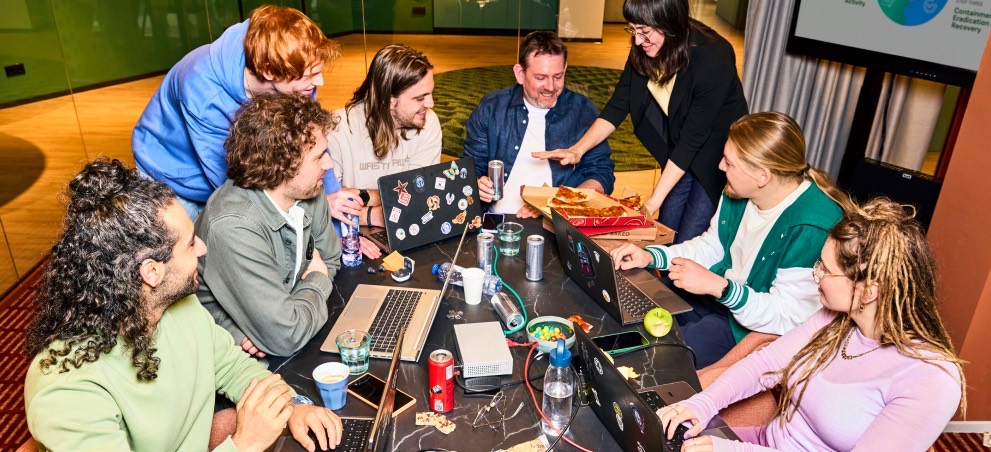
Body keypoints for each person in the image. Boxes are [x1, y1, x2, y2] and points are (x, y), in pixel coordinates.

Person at [23, 159, 343, 452]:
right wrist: (244, 444)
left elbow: (232, 366)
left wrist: (293, 405)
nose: (202, 248)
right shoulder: (68, 391)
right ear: (151, 271)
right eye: (190, 243)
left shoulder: (178, 308)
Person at [657, 198, 966, 451]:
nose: (814, 275)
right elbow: (764, 364)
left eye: (825, 270)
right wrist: (702, 404)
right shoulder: (837, 318)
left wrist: (731, 450)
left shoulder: (932, 378)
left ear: (868, 290)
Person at [610, 112, 851, 368]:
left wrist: (719, 287)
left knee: (661, 357)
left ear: (762, 176)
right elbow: (712, 247)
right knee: (627, 307)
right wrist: (652, 256)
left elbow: (788, 316)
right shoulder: (737, 190)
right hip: (721, 298)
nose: (720, 167)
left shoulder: (812, 224)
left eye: (729, 162)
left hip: (751, 327)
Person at [540, 0, 748, 244]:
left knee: (691, 234)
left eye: (645, 32)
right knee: (668, 227)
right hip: (680, 145)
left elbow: (693, 140)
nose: (638, 41)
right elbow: (618, 105)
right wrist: (577, 150)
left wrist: (652, 201)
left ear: (669, 24)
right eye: (633, 31)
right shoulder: (644, 47)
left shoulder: (712, 57)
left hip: (714, 150)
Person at [132, 5, 340, 220]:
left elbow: (313, 143)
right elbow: (233, 181)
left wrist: (333, 197)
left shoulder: (293, 69)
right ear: (269, 70)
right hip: (171, 178)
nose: (319, 82)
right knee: (193, 247)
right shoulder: (201, 88)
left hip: (223, 176)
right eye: (310, 76)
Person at [195, 93, 342, 358]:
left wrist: (285, 315)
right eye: (319, 156)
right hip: (230, 356)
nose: (329, 164)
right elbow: (287, 336)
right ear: (282, 165)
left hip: (278, 338)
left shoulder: (308, 190)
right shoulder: (233, 226)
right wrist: (316, 280)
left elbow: (330, 259)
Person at [465, 31, 615, 217]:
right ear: (520, 74)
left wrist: (557, 203)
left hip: (555, 223)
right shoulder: (492, 108)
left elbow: (602, 175)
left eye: (558, 76)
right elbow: (469, 167)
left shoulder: (582, 111)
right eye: (541, 78)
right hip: (494, 221)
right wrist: (476, 183)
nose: (551, 87)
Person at [326, 44, 440, 247]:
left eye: (430, 93)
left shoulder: (428, 122)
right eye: (420, 98)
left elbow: (419, 199)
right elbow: (328, 205)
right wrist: (377, 214)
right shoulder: (338, 126)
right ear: (388, 100)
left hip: (407, 231)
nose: (430, 104)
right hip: (349, 236)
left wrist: (366, 205)